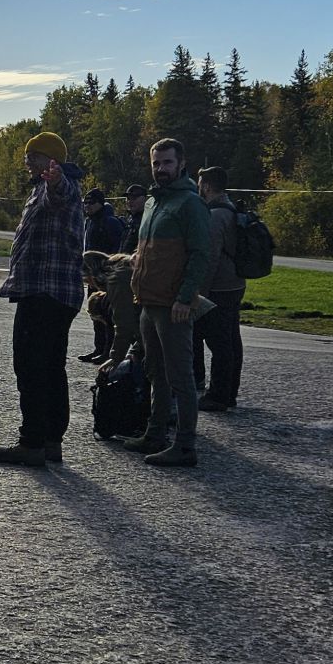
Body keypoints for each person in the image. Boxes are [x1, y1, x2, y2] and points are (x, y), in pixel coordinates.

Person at [0, 131, 86, 467]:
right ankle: (50, 441)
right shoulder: (41, 188)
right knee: (50, 367)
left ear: (51, 161)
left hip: (46, 291)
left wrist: (55, 179)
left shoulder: (60, 186)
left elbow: (60, 194)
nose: (27, 161)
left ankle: (31, 441)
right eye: (27, 156)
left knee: (30, 365)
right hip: (49, 291)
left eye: (34, 156)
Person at [123, 138, 212, 467]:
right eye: (156, 163)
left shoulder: (190, 203)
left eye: (167, 163)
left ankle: (185, 446)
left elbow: (201, 255)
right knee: (155, 373)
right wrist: (138, 259)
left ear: (181, 163)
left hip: (173, 305)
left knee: (180, 378)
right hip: (149, 301)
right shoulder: (151, 203)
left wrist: (185, 298)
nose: (161, 169)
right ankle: (155, 434)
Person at [192, 166, 246, 412]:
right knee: (232, 340)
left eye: (200, 183)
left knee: (220, 343)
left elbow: (209, 257)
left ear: (207, 186)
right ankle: (229, 392)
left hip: (219, 288)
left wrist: (199, 293)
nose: (198, 187)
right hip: (235, 284)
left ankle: (218, 395)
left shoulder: (215, 216)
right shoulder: (232, 209)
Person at [77, 187, 127, 362]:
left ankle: (108, 352)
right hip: (93, 277)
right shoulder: (89, 221)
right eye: (86, 203)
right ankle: (98, 348)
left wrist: (108, 273)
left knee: (109, 316)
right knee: (95, 313)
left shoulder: (110, 222)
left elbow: (118, 249)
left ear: (101, 203)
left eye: (92, 203)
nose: (87, 206)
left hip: (107, 278)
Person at [120, 183, 149, 252]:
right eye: (128, 198)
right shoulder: (130, 219)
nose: (130, 201)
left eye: (134, 198)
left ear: (144, 199)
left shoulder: (147, 219)